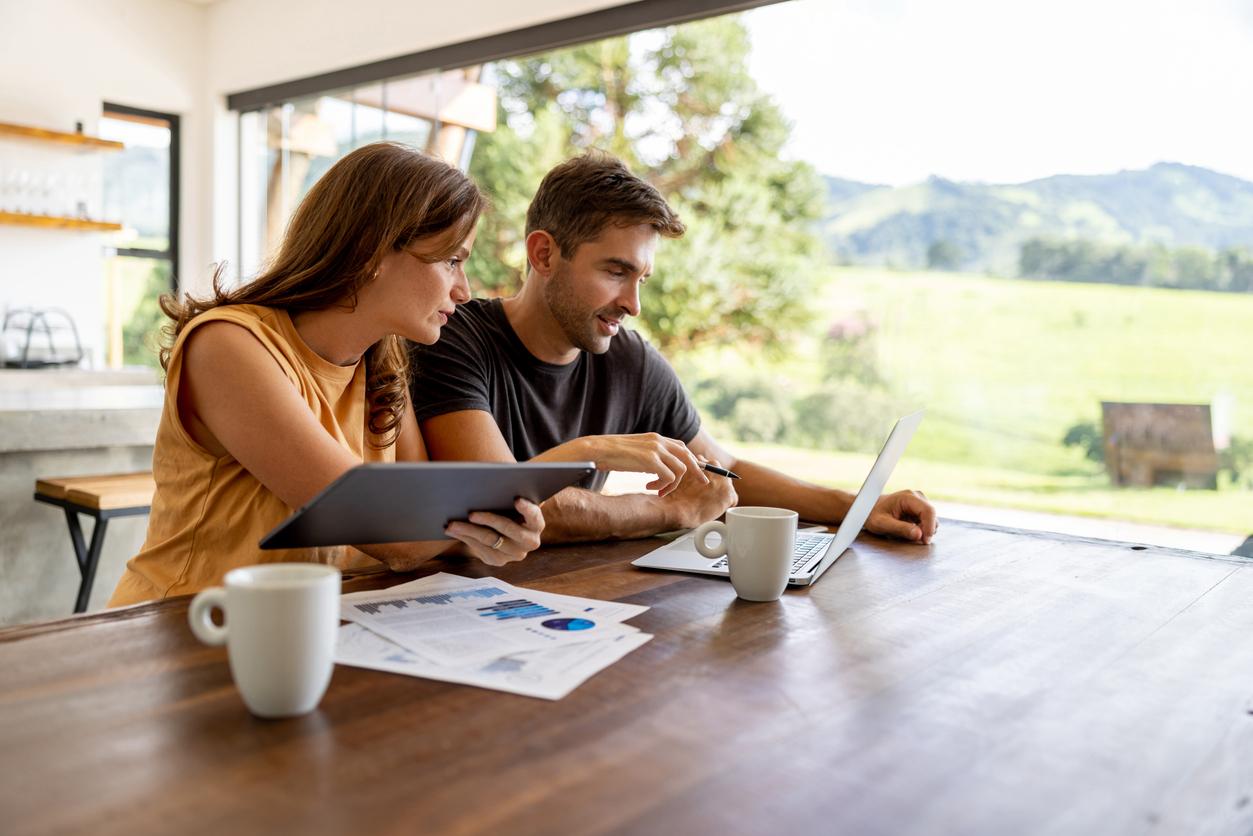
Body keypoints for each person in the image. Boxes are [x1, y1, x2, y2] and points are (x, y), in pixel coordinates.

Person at [109, 143, 699, 607]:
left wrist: (493, 532)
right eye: (451, 260)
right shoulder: (229, 347)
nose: (464, 289)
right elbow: (393, 529)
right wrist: (580, 454)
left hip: (310, 625)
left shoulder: (381, 362)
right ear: (371, 253)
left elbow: (421, 527)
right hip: (183, 624)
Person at [410, 151, 939, 544]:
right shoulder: (453, 337)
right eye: (616, 271)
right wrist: (670, 512)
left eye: (642, 277)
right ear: (544, 254)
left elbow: (723, 471)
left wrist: (857, 507)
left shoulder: (630, 361)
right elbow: (497, 501)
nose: (633, 303)